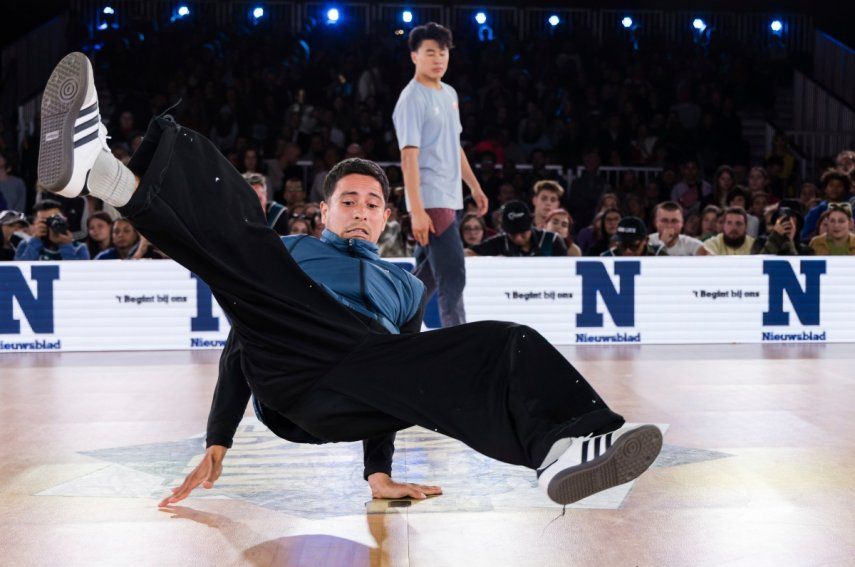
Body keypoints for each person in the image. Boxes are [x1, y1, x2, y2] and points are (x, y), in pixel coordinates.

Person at [37, 52, 661, 508]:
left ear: (387, 217)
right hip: (288, 370)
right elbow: (241, 344)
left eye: (371, 203)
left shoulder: (406, 289)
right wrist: (218, 438)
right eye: (349, 201)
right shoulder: (293, 252)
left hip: (347, 394)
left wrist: (377, 475)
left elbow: (400, 383)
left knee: (506, 341)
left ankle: (565, 447)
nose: (360, 210)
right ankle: (102, 170)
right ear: (325, 211)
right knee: (247, 247)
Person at [393, 22, 489, 328]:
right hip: (432, 200)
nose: (438, 59)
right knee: (453, 277)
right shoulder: (412, 98)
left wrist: (474, 187)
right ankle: (460, 349)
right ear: (414, 57)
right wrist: (416, 210)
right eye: (430, 52)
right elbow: (409, 157)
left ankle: (387, 322)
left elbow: (454, 145)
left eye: (443, 52)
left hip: (451, 196)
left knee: (428, 279)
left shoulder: (449, 93)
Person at [466, 201, 568, 257]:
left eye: (523, 233)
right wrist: (493, 262)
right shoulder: (500, 242)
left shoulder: (552, 240)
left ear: (530, 226)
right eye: (513, 234)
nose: (518, 238)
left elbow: (567, 270)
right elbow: (467, 253)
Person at [14, 200, 89, 260]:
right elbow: (18, 273)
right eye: (45, 220)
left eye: (55, 219)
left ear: (65, 219)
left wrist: (66, 245)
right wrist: (36, 240)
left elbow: (78, 276)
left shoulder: (79, 248)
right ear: (35, 223)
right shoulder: (25, 245)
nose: (51, 224)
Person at [801, 170, 852, 241]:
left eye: (839, 186)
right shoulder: (816, 211)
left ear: (846, 189)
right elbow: (804, 237)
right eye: (831, 185)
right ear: (825, 189)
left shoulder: (852, 210)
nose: (834, 189)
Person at [601, 217, 668, 257]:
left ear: (646, 240)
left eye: (633, 246)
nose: (628, 251)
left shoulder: (658, 256)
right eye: (623, 246)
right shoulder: (607, 258)